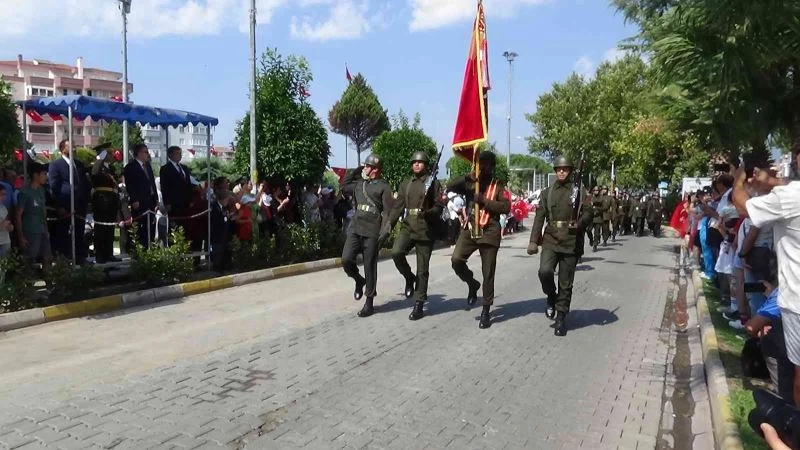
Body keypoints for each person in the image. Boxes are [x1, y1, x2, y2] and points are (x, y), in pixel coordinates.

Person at [732, 151, 800, 406]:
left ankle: (792, 432)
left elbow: (742, 206)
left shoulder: (790, 197)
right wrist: (771, 182)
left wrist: (739, 177)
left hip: (795, 301)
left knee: (798, 375)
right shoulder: (790, 194)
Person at [527, 156, 593, 336]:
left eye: (565, 169)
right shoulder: (547, 192)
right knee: (544, 271)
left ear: (570, 171)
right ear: (555, 171)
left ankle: (561, 317)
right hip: (550, 238)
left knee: (566, 282)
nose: (561, 171)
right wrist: (533, 241)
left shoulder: (580, 191)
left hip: (571, 240)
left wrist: (580, 223)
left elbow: (589, 213)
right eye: (558, 169)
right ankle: (550, 295)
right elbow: (539, 217)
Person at [448, 151, 511, 329]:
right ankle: (471, 283)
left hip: (489, 230)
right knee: (456, 260)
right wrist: (467, 177)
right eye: (479, 164)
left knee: (488, 271)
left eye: (485, 164)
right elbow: (450, 186)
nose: (482, 167)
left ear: (492, 166)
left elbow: (506, 207)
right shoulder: (470, 183)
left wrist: (484, 200)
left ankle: (486, 309)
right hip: (470, 229)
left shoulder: (498, 186)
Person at [388, 151, 444, 321]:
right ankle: (408, 277)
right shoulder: (406, 183)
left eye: (420, 162)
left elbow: (439, 205)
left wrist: (430, 213)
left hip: (425, 228)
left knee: (423, 269)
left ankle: (419, 303)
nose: (416, 165)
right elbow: (398, 207)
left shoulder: (433, 183)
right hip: (408, 225)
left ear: (426, 165)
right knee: (396, 252)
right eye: (414, 162)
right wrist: (388, 226)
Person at [341, 154, 393, 318]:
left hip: (371, 231)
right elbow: (344, 186)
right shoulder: (359, 184)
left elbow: (388, 212)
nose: (366, 169)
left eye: (369, 167)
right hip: (355, 228)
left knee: (370, 266)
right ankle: (358, 279)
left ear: (377, 170)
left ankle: (369, 301)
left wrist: (384, 232)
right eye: (366, 166)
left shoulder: (384, 187)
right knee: (346, 259)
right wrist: (357, 169)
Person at [48, 139, 91, 263]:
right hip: (65, 205)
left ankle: (79, 257)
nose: (73, 149)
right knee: (63, 233)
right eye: (70, 146)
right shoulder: (56, 165)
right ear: (62, 149)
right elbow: (54, 186)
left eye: (74, 146)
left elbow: (84, 183)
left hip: (79, 205)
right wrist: (58, 205)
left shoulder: (79, 164)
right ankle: (63, 258)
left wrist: (85, 198)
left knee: (79, 232)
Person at [15, 163, 52, 268]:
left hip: (42, 230)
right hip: (30, 230)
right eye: (44, 174)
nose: (45, 176)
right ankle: (26, 281)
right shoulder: (24, 192)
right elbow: (18, 214)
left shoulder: (41, 190)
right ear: (36, 175)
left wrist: (46, 229)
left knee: (47, 257)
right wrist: (21, 236)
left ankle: (49, 280)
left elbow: (43, 211)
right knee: (29, 258)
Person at [123, 144, 158, 248]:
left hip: (150, 200)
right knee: (140, 226)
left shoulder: (147, 166)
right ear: (139, 153)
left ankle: (149, 246)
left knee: (150, 225)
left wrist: (155, 199)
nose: (148, 154)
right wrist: (134, 199)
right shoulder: (131, 167)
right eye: (145, 152)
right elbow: (130, 185)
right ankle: (137, 248)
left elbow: (152, 183)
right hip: (139, 201)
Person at [90, 145, 120, 263]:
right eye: (110, 153)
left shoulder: (110, 168)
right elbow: (94, 173)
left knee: (110, 228)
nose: (112, 156)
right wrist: (99, 159)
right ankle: (100, 255)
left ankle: (109, 253)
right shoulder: (97, 167)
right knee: (101, 229)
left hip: (111, 200)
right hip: (101, 201)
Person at [159, 146, 195, 235]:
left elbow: (188, 184)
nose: (180, 155)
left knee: (185, 226)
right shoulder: (165, 169)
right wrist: (167, 203)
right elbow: (164, 187)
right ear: (171, 155)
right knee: (174, 226)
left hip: (185, 202)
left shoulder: (184, 168)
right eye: (178, 153)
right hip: (174, 203)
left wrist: (190, 199)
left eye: (180, 153)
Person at [0, 184, 12, 257]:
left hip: (5, 241)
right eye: (2, 194)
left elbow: (7, 221)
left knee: (6, 266)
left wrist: (10, 227)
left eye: (5, 194)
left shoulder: (3, 208)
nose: (4, 197)